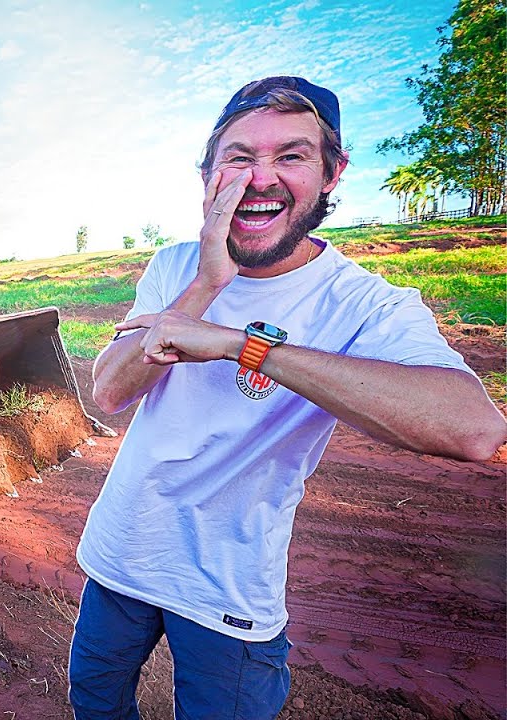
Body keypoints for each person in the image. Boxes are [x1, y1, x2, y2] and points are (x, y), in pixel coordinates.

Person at [68, 76, 507, 719]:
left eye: (291, 156)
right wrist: (205, 285)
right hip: (117, 553)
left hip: (227, 587)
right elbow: (109, 390)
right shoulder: (174, 265)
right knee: (97, 704)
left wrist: (237, 345)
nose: (259, 178)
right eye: (239, 158)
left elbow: (473, 429)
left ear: (333, 172)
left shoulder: (361, 303)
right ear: (209, 178)